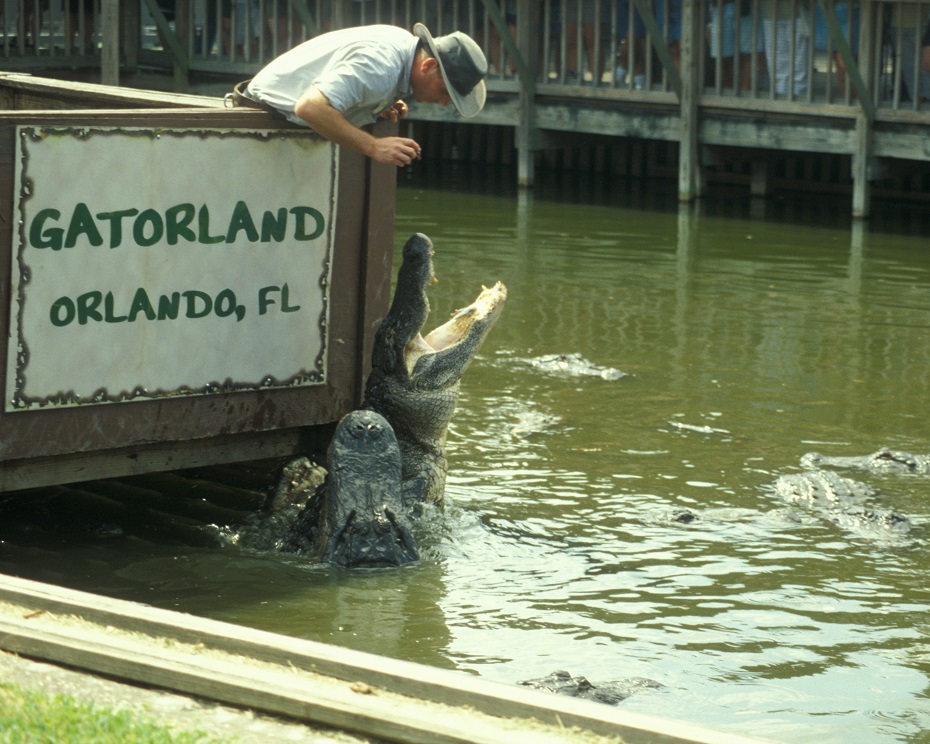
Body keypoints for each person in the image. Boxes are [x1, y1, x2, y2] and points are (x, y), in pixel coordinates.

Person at [243, 23, 488, 167]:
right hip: (262, 117)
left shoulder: (402, 44)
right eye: (445, 91)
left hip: (279, 122)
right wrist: (374, 147)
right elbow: (309, 107)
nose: (445, 102)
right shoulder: (380, 66)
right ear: (427, 66)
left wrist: (374, 104)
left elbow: (357, 84)